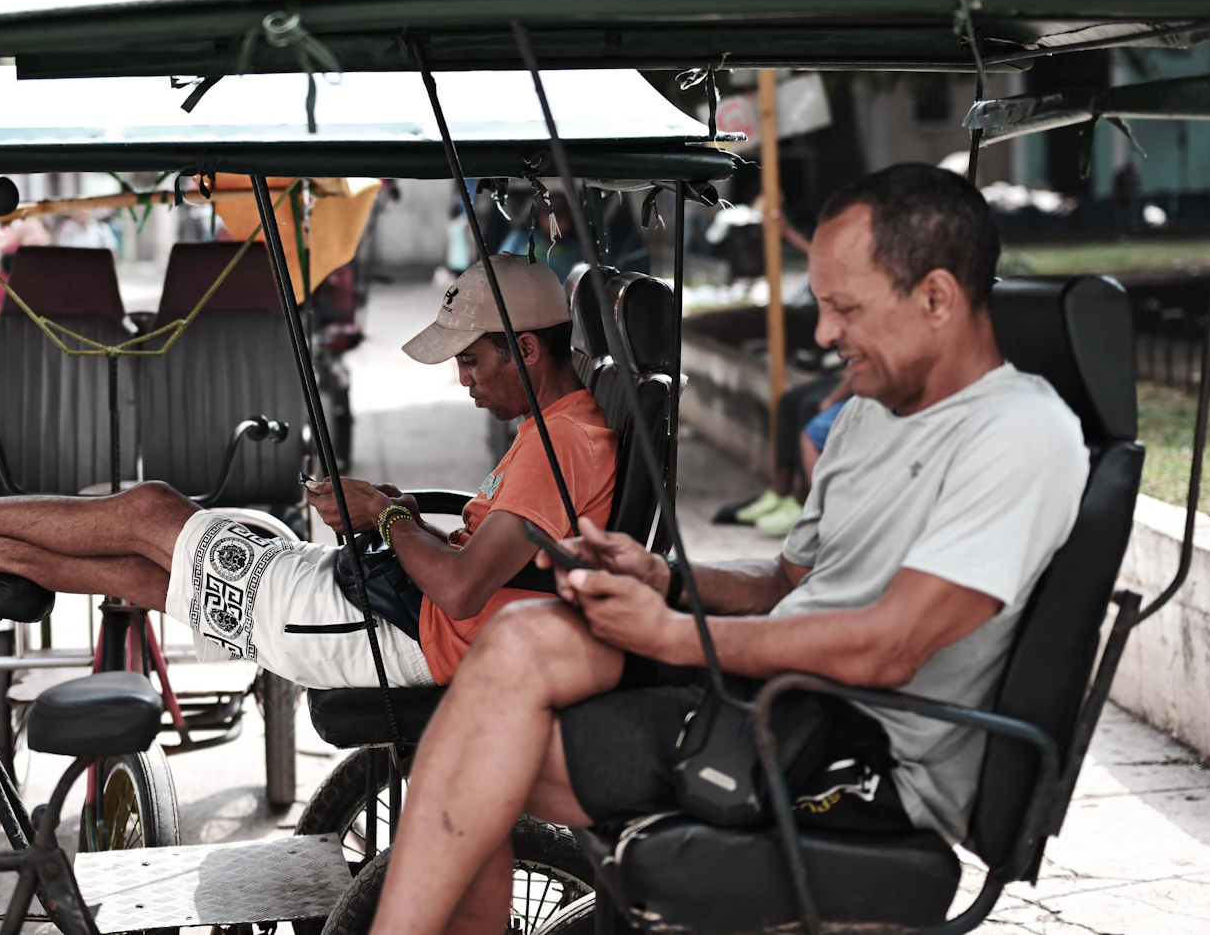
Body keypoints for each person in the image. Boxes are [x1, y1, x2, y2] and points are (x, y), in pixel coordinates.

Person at [365, 164, 1088, 935]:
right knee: (509, 646)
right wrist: (666, 579)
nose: (824, 333)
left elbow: (891, 645)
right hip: (771, 696)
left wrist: (674, 632)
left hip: (855, 748)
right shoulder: (866, 417)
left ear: (938, 297)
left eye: (845, 308)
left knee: (473, 763)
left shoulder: (1018, 432)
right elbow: (788, 577)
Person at [0, 254, 618, 692]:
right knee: (135, 566)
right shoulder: (556, 429)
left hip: (394, 631)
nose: (463, 379)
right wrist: (392, 512)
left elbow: (466, 587)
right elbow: (494, 553)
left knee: (146, 509)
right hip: (381, 599)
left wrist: (384, 517)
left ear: (529, 348)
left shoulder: (560, 445)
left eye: (471, 362)